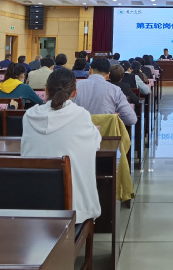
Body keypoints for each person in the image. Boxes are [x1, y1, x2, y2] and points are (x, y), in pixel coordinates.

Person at [22, 69, 102, 228]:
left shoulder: (29, 115)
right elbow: (95, 144)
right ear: (74, 93)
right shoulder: (81, 115)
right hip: (73, 208)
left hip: (32, 203)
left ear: (46, 90)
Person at [73, 57, 137, 125]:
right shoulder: (115, 90)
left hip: (79, 129)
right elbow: (131, 119)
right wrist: (114, 118)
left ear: (90, 70)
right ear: (108, 75)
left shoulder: (76, 86)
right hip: (104, 130)